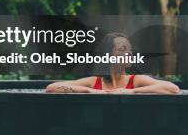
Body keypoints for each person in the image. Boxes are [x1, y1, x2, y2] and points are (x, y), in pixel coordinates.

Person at [45, 32, 180, 95]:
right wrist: (88, 90)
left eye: (130, 49)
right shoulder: (95, 82)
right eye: (123, 49)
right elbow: (52, 88)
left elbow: (173, 89)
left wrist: (131, 91)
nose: (130, 54)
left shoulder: (136, 81)